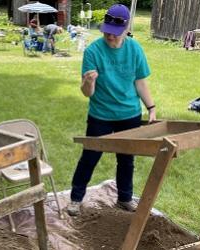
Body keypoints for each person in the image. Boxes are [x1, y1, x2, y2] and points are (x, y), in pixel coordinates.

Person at [66, 4, 156, 217]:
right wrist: (87, 82)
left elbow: (140, 82)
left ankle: (124, 198)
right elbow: (87, 93)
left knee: (126, 159)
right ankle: (75, 199)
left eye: (115, 33)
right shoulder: (93, 51)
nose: (110, 36)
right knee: (90, 156)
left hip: (129, 114)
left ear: (126, 29)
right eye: (106, 31)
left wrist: (151, 107)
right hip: (101, 115)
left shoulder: (135, 49)